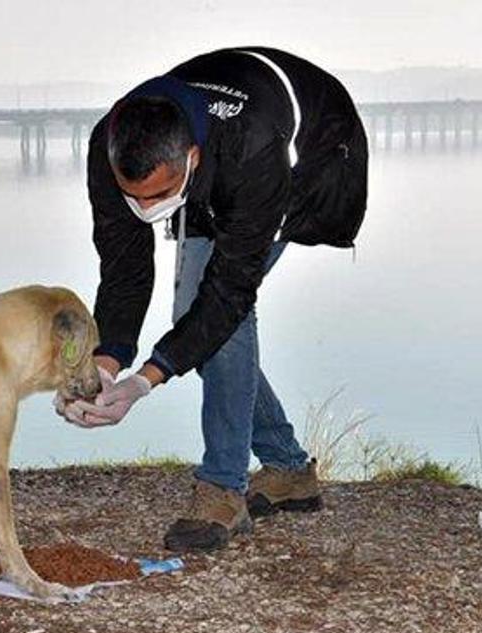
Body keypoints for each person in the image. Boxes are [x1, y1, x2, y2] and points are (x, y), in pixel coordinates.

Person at [58, 47, 368, 553]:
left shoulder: (254, 155)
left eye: (159, 196)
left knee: (217, 316)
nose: (146, 209)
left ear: (192, 159)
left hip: (310, 147)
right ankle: (288, 470)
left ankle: (223, 489)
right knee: (197, 321)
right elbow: (123, 267)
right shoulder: (108, 146)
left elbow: (228, 292)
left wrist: (146, 381)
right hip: (218, 158)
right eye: (134, 196)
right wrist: (107, 362)